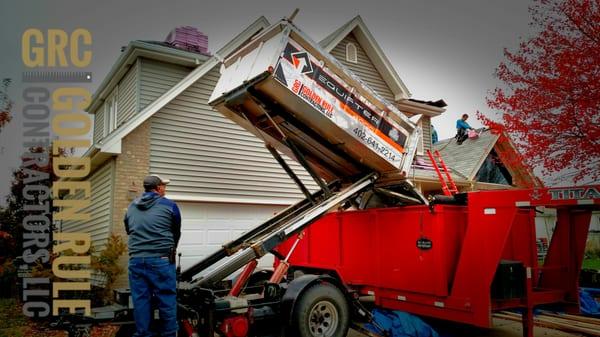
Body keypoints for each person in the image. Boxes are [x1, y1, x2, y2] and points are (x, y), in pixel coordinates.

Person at [124, 174, 181, 337]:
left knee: (141, 300)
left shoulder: (131, 207)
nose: (165, 188)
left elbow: (129, 230)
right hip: (161, 260)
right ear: (158, 188)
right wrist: (170, 250)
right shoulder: (170, 206)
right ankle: (170, 334)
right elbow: (176, 232)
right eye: (164, 186)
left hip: (136, 260)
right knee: (166, 299)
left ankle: (143, 334)